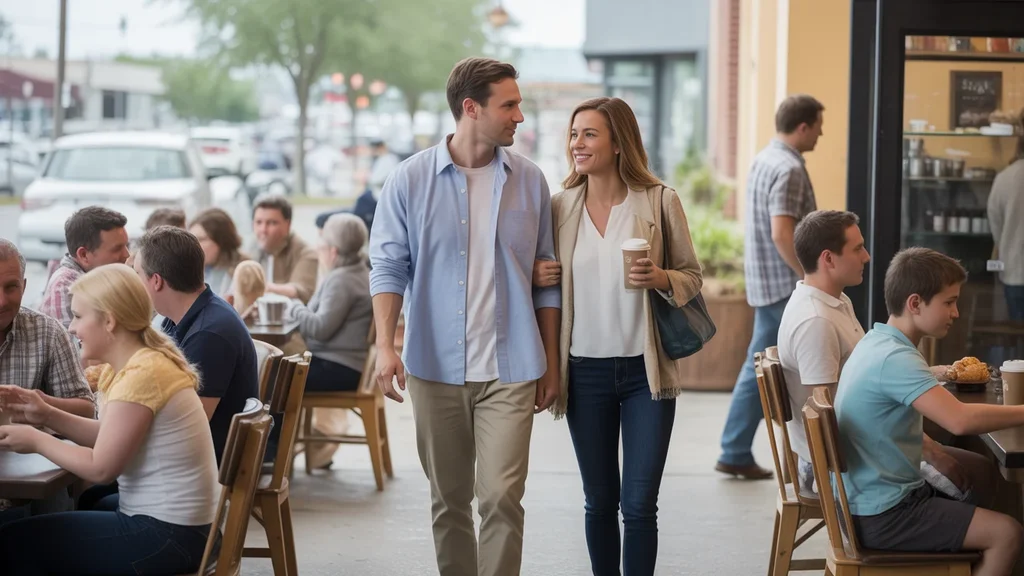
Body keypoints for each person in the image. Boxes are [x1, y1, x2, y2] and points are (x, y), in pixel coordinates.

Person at [369, 57, 561, 576]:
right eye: (510, 105)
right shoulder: (409, 179)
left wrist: (552, 363)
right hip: (434, 366)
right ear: (471, 108)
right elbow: (387, 266)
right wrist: (387, 346)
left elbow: (549, 282)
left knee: (501, 497)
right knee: (448, 501)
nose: (519, 116)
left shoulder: (530, 181)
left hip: (513, 365)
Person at [533, 96, 702, 575]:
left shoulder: (658, 201)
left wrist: (662, 278)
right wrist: (536, 273)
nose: (577, 144)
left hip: (644, 375)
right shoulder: (559, 207)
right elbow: (539, 279)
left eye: (589, 134)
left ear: (618, 143)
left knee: (640, 504)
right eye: (573, 134)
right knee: (599, 502)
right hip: (583, 374)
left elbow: (692, 275)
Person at [0, 264, 218, 575]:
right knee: (87, 503)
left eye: (77, 316)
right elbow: (109, 435)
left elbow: (102, 467)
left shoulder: (142, 374)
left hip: (171, 537)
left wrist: (36, 439)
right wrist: (47, 413)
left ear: (109, 321)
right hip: (187, 529)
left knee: (12, 541)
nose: (72, 328)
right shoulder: (140, 362)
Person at [835, 247, 1024, 576]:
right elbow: (960, 420)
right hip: (884, 514)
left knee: (982, 472)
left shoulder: (877, 341)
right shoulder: (895, 358)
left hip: (865, 501)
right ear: (915, 303)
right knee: (1008, 533)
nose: (956, 313)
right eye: (949, 302)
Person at [717, 94, 824, 480]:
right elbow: (783, 232)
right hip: (783, 283)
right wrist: (808, 276)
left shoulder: (766, 158)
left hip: (765, 279)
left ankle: (736, 448)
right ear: (803, 127)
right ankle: (736, 448)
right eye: (818, 126)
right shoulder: (789, 168)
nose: (821, 134)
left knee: (761, 364)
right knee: (774, 366)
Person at [134, 225, 259, 461]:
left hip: (204, 467)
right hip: (191, 457)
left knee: (93, 495)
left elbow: (190, 425)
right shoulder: (184, 316)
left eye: (137, 274)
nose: (134, 283)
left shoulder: (209, 335)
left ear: (157, 281)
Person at [291, 213, 374, 469]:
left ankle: (274, 458)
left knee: (274, 380)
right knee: (279, 372)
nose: (319, 249)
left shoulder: (341, 280)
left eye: (322, 244)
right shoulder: (360, 271)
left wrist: (292, 308)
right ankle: (281, 455)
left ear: (334, 251)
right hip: (347, 364)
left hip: (338, 367)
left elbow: (320, 328)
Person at [0, 239, 95, 418]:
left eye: (11, 287)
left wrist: (36, 401)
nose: (2, 301)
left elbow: (87, 410)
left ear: (24, 287)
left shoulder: (48, 333)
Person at [39, 206, 130, 330]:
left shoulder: (103, 278)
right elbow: (76, 347)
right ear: (84, 255)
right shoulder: (65, 286)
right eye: (116, 249)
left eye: (126, 245)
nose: (127, 255)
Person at [314, 139, 398, 232]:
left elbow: (377, 179)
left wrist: (365, 177)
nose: (373, 152)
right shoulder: (384, 159)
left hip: (376, 198)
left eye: (374, 149)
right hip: (373, 196)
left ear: (381, 147)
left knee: (327, 218)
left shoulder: (388, 159)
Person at [248, 194, 318, 304]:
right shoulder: (253, 248)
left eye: (271, 223)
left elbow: (301, 291)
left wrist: (263, 288)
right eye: (258, 222)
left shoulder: (305, 253)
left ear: (288, 225)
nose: (263, 230)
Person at [987, 128, 1024, 322]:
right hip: (1013, 271)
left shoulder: (1005, 178)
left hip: (1014, 272)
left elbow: (996, 225)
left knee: (1018, 338)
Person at [190, 207, 250, 297]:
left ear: (221, 241)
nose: (193, 245)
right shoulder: (196, 272)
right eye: (191, 239)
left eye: (201, 239)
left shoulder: (244, 273)